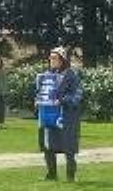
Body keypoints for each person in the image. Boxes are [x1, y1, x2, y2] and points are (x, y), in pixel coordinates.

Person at [35, 47, 83, 181]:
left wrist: (62, 100)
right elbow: (40, 92)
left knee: (68, 148)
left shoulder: (71, 75)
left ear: (62, 60)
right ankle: (51, 173)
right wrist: (38, 100)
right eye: (50, 58)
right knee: (48, 145)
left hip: (66, 117)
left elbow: (77, 95)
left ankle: (70, 176)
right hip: (48, 116)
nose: (51, 60)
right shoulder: (45, 75)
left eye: (54, 58)